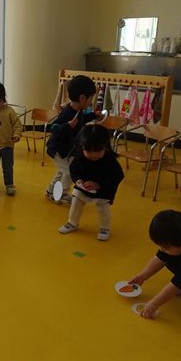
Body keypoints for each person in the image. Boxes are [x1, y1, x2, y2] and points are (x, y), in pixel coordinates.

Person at [58, 125, 124, 241]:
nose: (93, 154)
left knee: (103, 209)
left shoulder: (110, 160)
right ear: (82, 146)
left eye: (98, 150)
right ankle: (72, 223)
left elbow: (117, 177)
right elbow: (74, 170)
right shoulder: (79, 156)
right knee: (76, 203)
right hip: (83, 187)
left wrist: (99, 185)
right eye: (88, 151)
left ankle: (104, 228)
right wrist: (78, 180)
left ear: (105, 146)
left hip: (103, 191)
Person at [45, 75, 104, 204]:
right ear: (82, 98)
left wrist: (94, 115)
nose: (91, 102)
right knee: (69, 172)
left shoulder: (78, 110)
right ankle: (60, 194)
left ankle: (51, 191)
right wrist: (67, 126)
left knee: (62, 172)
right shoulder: (68, 112)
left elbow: (82, 120)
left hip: (65, 150)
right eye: (90, 98)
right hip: (58, 150)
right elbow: (53, 128)